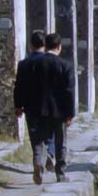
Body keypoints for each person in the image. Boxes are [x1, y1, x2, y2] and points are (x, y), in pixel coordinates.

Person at [14, 32, 75, 184]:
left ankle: (38, 161)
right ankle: (60, 174)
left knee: (38, 140)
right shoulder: (65, 65)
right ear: (59, 47)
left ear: (45, 46)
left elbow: (19, 87)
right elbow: (69, 91)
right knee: (60, 141)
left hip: (34, 109)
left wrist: (18, 105)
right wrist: (70, 114)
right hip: (58, 111)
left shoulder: (27, 64)